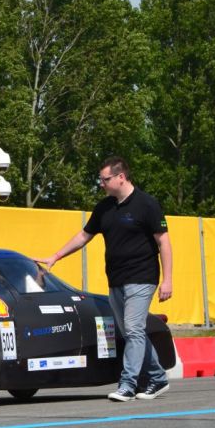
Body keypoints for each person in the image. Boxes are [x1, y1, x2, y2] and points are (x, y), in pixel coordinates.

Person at [36, 156, 172, 402]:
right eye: (100, 180)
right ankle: (158, 377)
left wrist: (167, 279)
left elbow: (163, 241)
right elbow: (84, 236)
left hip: (142, 278)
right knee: (133, 332)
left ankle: (128, 384)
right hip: (116, 280)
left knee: (132, 329)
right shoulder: (104, 208)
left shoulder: (147, 204)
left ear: (121, 177)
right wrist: (55, 256)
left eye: (105, 179)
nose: (102, 184)